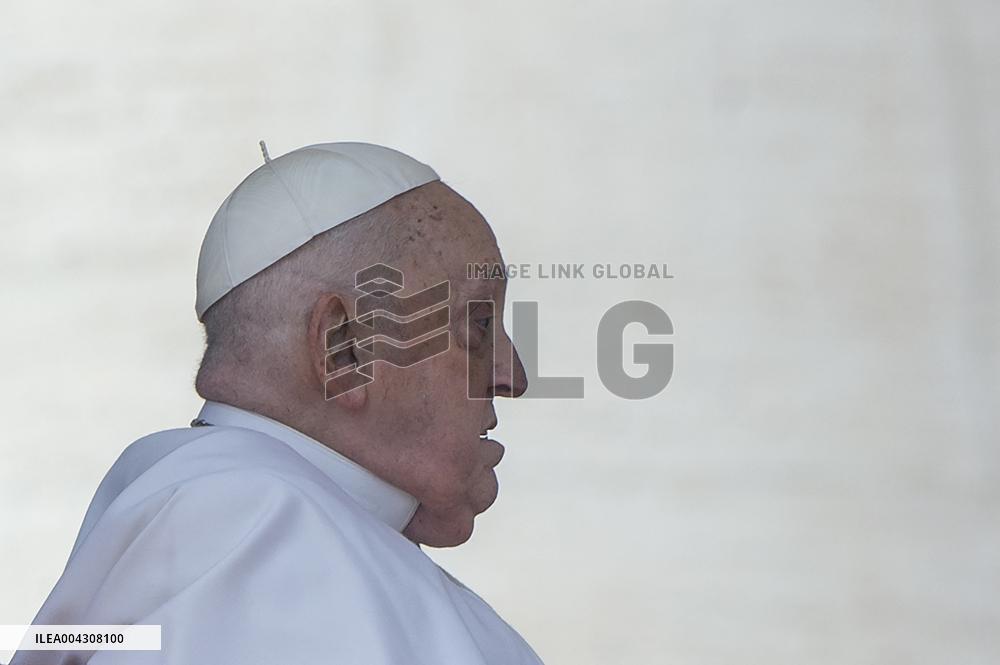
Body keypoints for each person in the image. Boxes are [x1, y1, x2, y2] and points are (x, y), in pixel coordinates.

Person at [12, 142, 542, 664]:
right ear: (344, 349)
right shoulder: (257, 520)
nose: (511, 376)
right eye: (477, 325)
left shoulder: (237, 513)